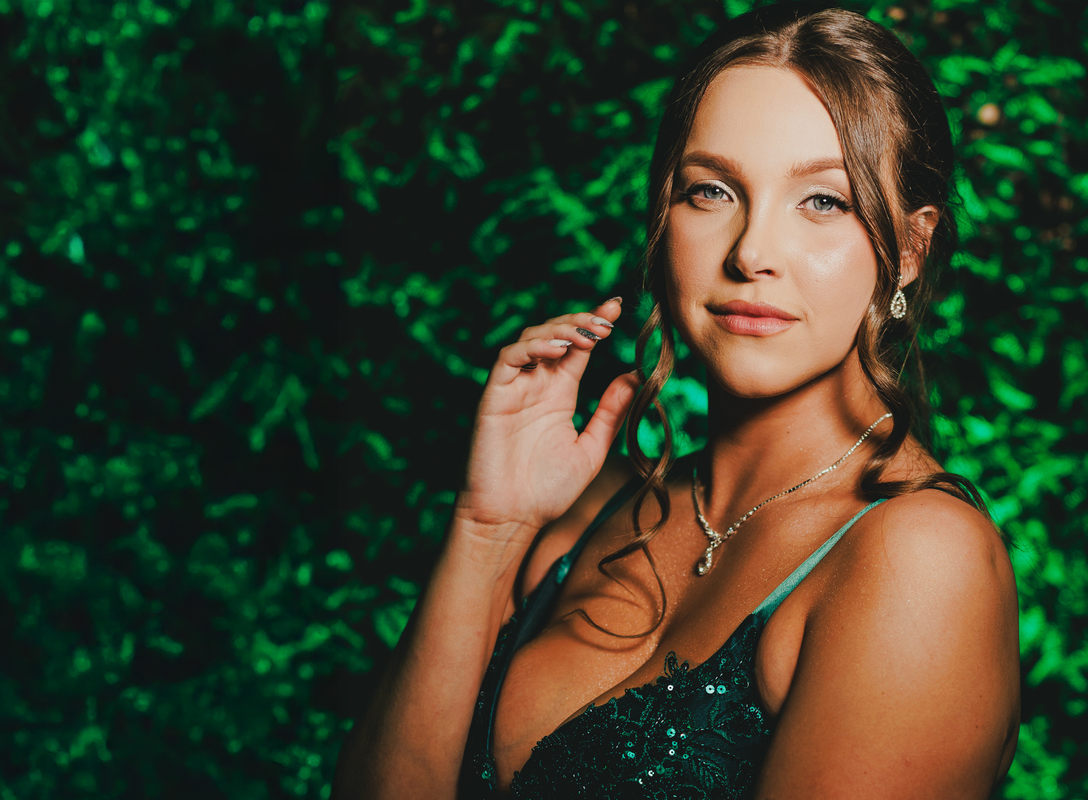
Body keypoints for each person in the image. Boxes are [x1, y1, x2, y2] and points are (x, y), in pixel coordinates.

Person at [334, 4, 1020, 798]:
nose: (752, 252)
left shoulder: (918, 562)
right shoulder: (589, 503)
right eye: (712, 191)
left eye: (823, 201)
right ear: (664, 218)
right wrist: (489, 530)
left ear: (908, 248)